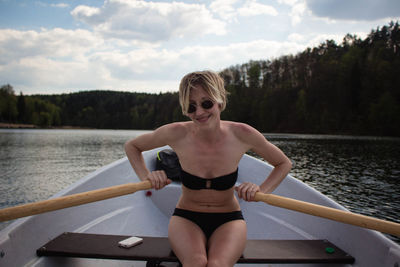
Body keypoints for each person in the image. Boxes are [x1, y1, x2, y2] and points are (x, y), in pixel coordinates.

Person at [124, 70, 292, 267]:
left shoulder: (242, 134)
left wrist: (261, 190)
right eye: (191, 107)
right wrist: (147, 178)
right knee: (196, 263)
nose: (199, 113)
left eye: (206, 103)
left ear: (219, 101)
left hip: (229, 219)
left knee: (217, 265)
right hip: (186, 218)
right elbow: (132, 146)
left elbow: (283, 163)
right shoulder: (176, 133)